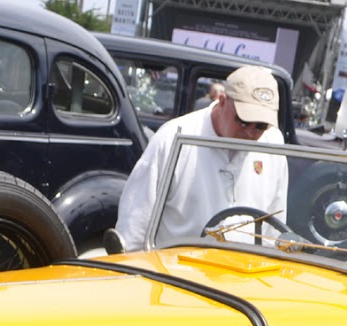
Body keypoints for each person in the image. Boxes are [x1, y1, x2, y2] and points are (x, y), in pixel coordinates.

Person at [114, 65, 287, 253]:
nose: (251, 132)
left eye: (261, 125)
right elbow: (135, 225)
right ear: (222, 101)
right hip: (177, 273)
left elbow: (274, 227)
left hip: (244, 274)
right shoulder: (172, 138)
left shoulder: (273, 142)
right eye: (243, 120)